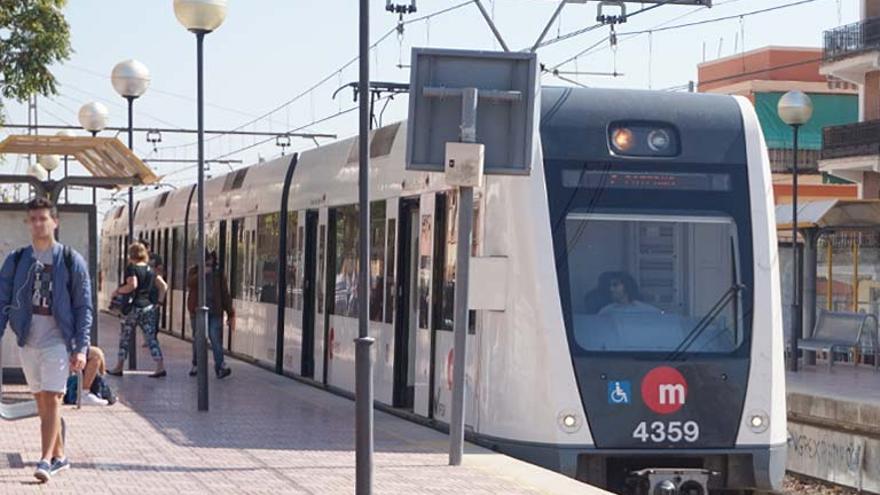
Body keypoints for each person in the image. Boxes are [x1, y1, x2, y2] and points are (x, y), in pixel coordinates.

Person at [0, 197, 92, 483]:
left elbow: (83, 306)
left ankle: (44, 461)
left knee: (53, 398)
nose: (38, 224)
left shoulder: (69, 259)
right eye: (34, 219)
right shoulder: (16, 260)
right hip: (28, 341)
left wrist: (81, 347)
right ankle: (60, 456)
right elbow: (2, 300)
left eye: (43, 218)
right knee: (41, 400)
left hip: (58, 342)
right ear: (29, 223)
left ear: (55, 222)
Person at [108, 243, 168, 378]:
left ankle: (119, 366)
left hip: (132, 308)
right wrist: (159, 302)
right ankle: (160, 367)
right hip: (147, 307)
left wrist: (118, 291)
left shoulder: (132, 268)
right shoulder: (150, 269)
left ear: (131, 254)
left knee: (125, 337)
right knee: (151, 337)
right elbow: (163, 286)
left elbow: (132, 285)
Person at [187, 251, 234, 379]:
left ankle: (220, 366)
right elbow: (190, 283)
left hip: (215, 311)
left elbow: (225, 293)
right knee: (198, 338)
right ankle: (196, 364)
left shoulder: (218, 274)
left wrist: (230, 313)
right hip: (197, 312)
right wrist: (202, 273)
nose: (209, 265)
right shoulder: (194, 271)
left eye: (211, 262)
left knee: (215, 338)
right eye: (206, 262)